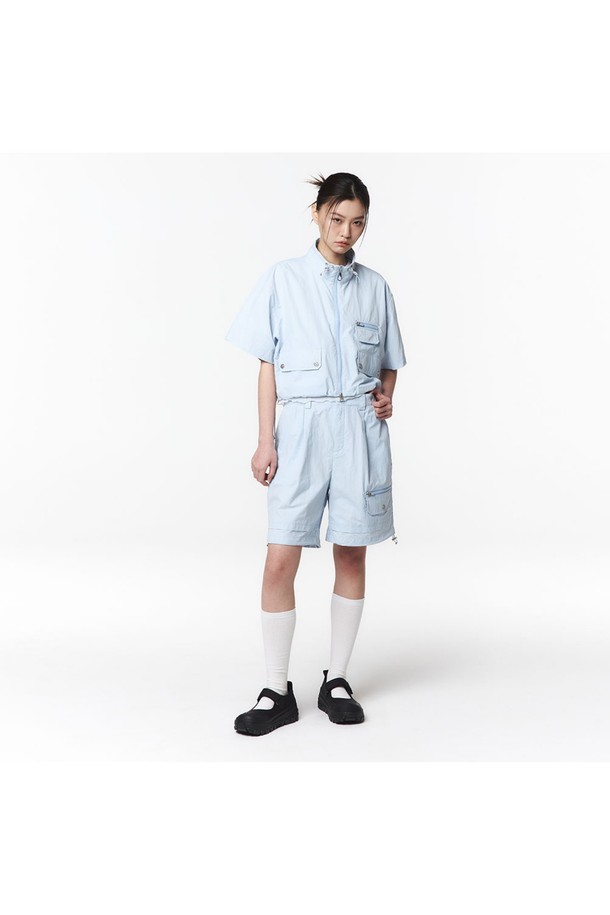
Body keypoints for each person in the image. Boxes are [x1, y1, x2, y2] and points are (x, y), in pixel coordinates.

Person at [225, 172, 407, 736]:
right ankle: (276, 689)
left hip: (358, 430)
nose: (346, 231)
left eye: (357, 223)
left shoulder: (375, 286)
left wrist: (386, 397)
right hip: (300, 429)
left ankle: (338, 679)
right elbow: (266, 365)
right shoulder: (282, 279)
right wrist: (265, 439)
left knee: (351, 553)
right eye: (337, 218)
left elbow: (389, 362)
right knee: (281, 555)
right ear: (317, 212)